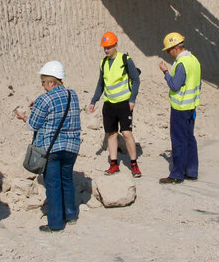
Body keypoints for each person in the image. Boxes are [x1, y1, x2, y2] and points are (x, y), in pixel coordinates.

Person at [15, 60, 81, 232]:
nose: (42, 85)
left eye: (44, 82)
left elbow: (33, 125)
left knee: (53, 185)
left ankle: (56, 224)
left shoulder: (44, 99)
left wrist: (24, 117)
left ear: (52, 82)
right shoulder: (72, 95)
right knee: (67, 180)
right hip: (72, 146)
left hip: (51, 149)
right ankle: (71, 214)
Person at [86, 31, 142, 177]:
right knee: (111, 134)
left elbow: (136, 80)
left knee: (126, 133)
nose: (106, 50)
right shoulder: (103, 62)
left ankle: (134, 164)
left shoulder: (125, 59)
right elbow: (101, 84)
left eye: (109, 47)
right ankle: (113, 164)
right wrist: (94, 100)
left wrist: (132, 99)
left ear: (116, 45)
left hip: (124, 103)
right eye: (104, 47)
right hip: (109, 104)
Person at [157, 32, 201, 184]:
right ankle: (191, 171)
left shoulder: (182, 63)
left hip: (180, 107)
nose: (168, 53)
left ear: (175, 48)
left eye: (168, 50)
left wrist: (165, 72)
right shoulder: (194, 60)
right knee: (190, 138)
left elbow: (175, 85)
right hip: (191, 106)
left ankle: (177, 174)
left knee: (179, 140)